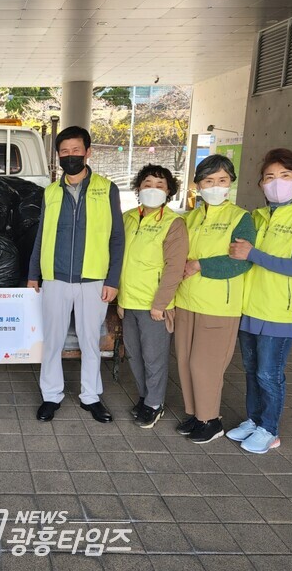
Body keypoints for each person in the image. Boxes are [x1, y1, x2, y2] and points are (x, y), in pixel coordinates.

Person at [226, 148, 292, 453]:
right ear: (261, 184)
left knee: (269, 374)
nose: (277, 182)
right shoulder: (255, 217)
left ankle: (270, 429)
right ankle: (255, 420)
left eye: (285, 176)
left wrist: (253, 254)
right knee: (251, 368)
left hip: (279, 313)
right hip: (249, 308)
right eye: (270, 177)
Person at [28, 126, 125, 423]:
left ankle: (91, 396)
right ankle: (51, 396)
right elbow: (41, 236)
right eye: (65, 152)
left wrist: (112, 280)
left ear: (88, 151)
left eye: (76, 150)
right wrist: (34, 273)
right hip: (55, 278)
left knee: (88, 341)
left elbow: (117, 238)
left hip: (93, 280)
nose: (71, 156)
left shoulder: (107, 188)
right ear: (58, 156)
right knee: (53, 340)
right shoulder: (50, 192)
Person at [174, 154, 256, 444]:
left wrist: (200, 265)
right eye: (209, 180)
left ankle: (211, 420)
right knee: (184, 361)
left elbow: (241, 262)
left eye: (222, 180)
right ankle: (196, 415)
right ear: (197, 184)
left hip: (218, 306)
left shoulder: (240, 218)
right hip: (187, 301)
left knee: (204, 365)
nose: (216, 185)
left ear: (230, 183)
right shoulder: (191, 217)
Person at [118, 165, 188, 428]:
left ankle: (155, 404)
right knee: (134, 355)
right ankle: (145, 397)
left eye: (159, 185)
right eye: (147, 184)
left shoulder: (173, 223)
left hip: (154, 306)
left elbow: (174, 267)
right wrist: (121, 301)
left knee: (154, 357)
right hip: (129, 301)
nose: (152, 189)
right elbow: (120, 261)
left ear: (168, 191)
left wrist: (161, 304)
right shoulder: (128, 219)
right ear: (138, 189)